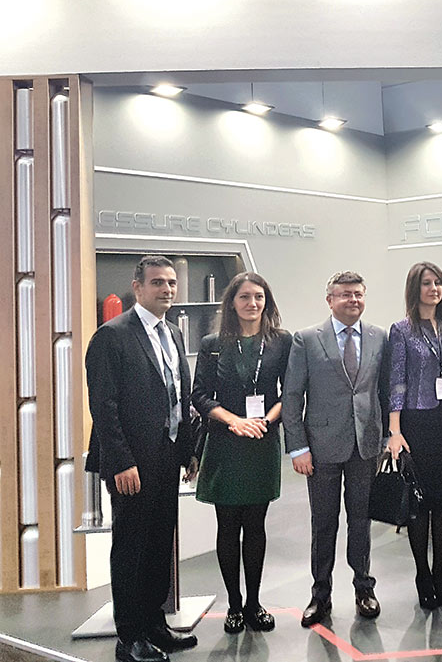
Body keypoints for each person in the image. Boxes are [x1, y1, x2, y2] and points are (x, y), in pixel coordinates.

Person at [85, 256, 198, 662]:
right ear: (137, 287)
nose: (167, 289)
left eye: (171, 282)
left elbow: (179, 396)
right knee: (131, 548)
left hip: (167, 456)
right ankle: (129, 637)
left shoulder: (173, 333)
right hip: (131, 462)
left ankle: (154, 625)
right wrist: (120, 462)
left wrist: (188, 450)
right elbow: (104, 406)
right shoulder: (112, 336)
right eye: (157, 282)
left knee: (158, 545)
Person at [282, 271, 389, 627]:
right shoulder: (307, 339)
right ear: (330, 300)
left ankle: (364, 589)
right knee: (323, 524)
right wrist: (297, 447)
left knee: (361, 521)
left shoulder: (378, 336)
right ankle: (320, 595)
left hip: (365, 445)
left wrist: (386, 437)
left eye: (358, 294)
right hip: (320, 448)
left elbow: (383, 391)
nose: (353, 300)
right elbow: (292, 396)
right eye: (345, 294)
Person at [191, 272, 291, 633]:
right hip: (226, 443)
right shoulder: (213, 343)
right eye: (245, 297)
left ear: (267, 301)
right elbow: (199, 395)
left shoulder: (281, 341)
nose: (252, 303)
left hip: (261, 440)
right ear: (232, 303)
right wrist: (234, 421)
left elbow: (290, 392)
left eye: (259, 297)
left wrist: (266, 420)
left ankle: (254, 603)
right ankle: (234, 604)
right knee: (228, 526)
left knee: (256, 526)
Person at [386, 262, 442, 609]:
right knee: (419, 502)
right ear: (414, 289)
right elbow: (397, 382)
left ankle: (440, 573)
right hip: (417, 422)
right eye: (427, 283)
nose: (434, 289)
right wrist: (395, 431)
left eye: (438, 283)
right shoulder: (401, 330)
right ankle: (422, 574)